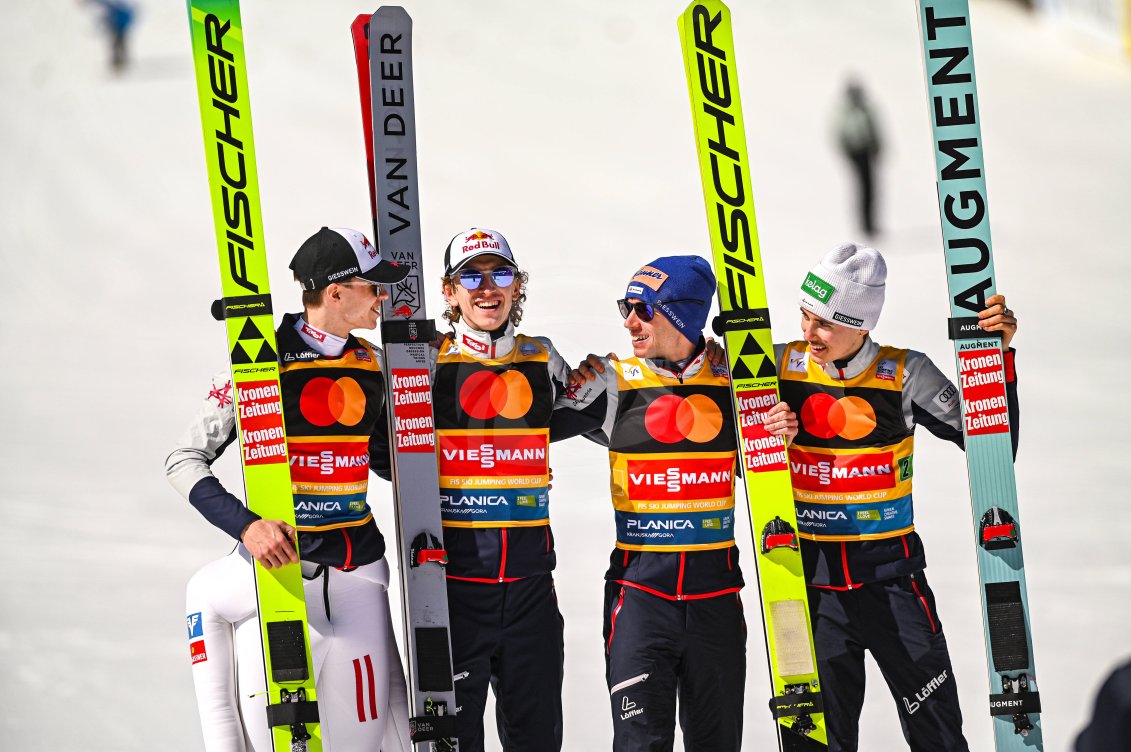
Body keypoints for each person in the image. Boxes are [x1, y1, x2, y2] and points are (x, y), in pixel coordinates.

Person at [166, 227, 413, 751]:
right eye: (374, 287)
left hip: (357, 579)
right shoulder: (259, 360)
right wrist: (247, 526)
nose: (383, 298)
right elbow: (183, 460)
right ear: (337, 292)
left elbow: (381, 460)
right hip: (278, 583)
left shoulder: (373, 364)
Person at [772, 242, 1019, 751]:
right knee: (817, 743)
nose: (808, 334)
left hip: (892, 581)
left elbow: (995, 445)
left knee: (938, 734)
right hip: (809, 587)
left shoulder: (906, 372)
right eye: (804, 316)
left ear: (860, 324)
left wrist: (998, 359)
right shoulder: (775, 366)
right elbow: (712, 445)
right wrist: (764, 438)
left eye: (825, 323)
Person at [398, 228, 601, 752]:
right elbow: (380, 449)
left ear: (517, 285)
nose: (487, 288)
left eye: (500, 274)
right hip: (453, 591)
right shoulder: (422, 360)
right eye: (471, 275)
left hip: (532, 592)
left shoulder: (542, 357)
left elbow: (602, 424)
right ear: (449, 291)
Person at [571, 255, 748, 751]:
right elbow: (519, 420)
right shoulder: (613, 381)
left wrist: (783, 427)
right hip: (640, 602)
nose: (629, 321)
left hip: (716, 602)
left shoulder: (736, 383)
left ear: (684, 315)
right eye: (625, 307)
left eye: (643, 309)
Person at [835, 80, 883, 237]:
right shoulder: (846, 113)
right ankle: (864, 224)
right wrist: (848, 152)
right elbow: (841, 136)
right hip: (856, 153)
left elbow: (873, 131)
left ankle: (870, 223)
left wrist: (876, 147)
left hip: (867, 152)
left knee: (870, 188)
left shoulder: (865, 111)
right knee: (862, 188)